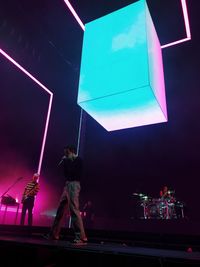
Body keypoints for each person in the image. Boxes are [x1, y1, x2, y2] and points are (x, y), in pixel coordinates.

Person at [46, 145, 87, 244]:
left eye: (67, 153)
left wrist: (67, 162)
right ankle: (53, 234)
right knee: (60, 209)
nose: (65, 155)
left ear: (72, 152)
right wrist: (65, 163)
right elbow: (66, 174)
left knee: (74, 209)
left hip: (74, 184)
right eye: (65, 153)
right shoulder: (67, 161)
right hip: (67, 184)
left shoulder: (79, 160)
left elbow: (74, 173)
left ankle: (81, 237)